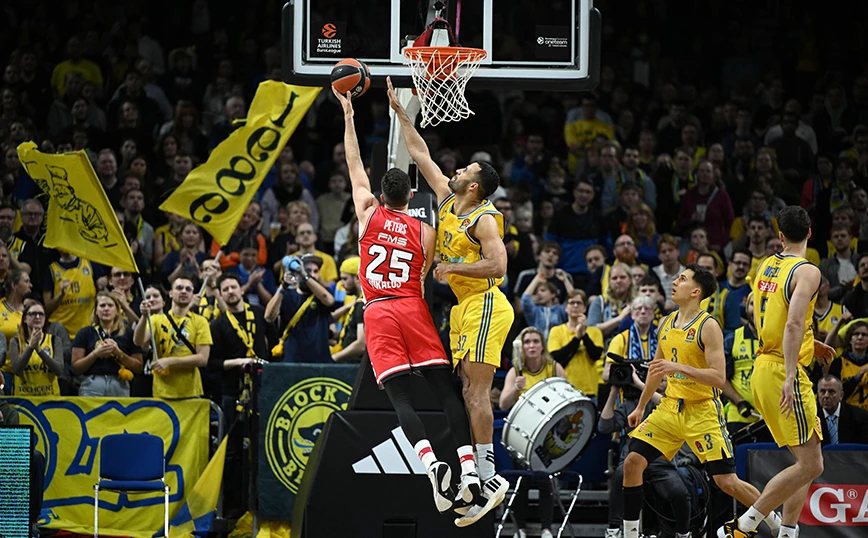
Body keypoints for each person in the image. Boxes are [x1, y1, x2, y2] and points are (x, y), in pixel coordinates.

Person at [337, 88, 498, 526]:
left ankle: (431, 466)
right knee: (445, 392)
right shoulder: (425, 230)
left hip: (378, 309)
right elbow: (426, 271)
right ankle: (469, 469)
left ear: (380, 194)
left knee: (400, 398)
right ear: (411, 195)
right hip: (412, 305)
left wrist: (348, 115)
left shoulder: (367, 212)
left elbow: (353, 163)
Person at [389, 77, 512, 508]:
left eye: (465, 171)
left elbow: (499, 266)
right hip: (463, 307)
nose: (456, 171)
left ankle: (489, 477)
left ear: (474, 186)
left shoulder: (485, 219)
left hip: (486, 302)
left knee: (476, 393)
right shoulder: (445, 199)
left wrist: (453, 266)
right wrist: (403, 114)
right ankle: (477, 478)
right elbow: (420, 154)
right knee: (467, 393)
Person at [622, 265, 781, 538]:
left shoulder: (708, 326)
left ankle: (778, 524)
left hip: (702, 411)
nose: (674, 282)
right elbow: (657, 370)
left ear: (696, 291)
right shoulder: (666, 322)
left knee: (726, 481)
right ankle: (629, 534)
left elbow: (718, 378)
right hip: (671, 407)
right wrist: (640, 406)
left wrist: (679, 367)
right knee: (632, 463)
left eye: (682, 279)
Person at [720, 206, 835, 538]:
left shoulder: (766, 265)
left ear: (780, 235)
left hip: (763, 366)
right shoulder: (808, 271)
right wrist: (790, 375)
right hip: (783, 371)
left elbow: (769, 318)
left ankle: (787, 532)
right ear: (810, 233)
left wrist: (811, 344)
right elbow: (793, 323)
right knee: (812, 464)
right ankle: (745, 525)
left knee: (804, 464)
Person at [208, 273, 276, 516]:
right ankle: (233, 507)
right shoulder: (218, 324)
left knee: (262, 446)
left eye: (233, 287)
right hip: (232, 392)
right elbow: (212, 363)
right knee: (232, 451)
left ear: (242, 289)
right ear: (220, 294)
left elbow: (275, 343)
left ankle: (262, 503)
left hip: (262, 389)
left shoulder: (258, 313)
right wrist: (237, 362)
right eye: (225, 289)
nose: (230, 292)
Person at [499, 327, 565, 538]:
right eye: (527, 342)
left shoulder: (554, 368)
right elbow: (502, 404)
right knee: (522, 482)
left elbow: (567, 400)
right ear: (522, 346)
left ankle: (546, 529)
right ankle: (520, 529)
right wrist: (515, 388)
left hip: (548, 436)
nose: (532, 346)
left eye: (536, 341)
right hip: (522, 436)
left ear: (543, 345)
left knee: (546, 481)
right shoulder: (516, 371)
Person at [133, 274, 212, 400]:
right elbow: (138, 341)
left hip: (190, 391)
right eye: (179, 288)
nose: (184, 291)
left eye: (188, 289)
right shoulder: (156, 319)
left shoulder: (200, 321)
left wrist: (169, 361)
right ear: (170, 293)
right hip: (162, 391)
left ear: (193, 295)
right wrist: (143, 316)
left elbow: (202, 359)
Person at [71, 292, 143, 397]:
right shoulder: (85, 333)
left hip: (120, 384)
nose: (106, 309)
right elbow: (75, 368)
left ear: (117, 310)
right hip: (92, 385)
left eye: (110, 305)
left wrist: (119, 354)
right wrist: (95, 354)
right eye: (102, 305)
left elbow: (138, 367)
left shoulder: (128, 333)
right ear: (96, 311)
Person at [548, 290, 605, 399]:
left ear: (584, 308)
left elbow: (596, 355)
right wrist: (577, 338)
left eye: (579, 303)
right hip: (564, 388)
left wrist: (584, 335)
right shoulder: (556, 331)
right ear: (566, 307)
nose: (575, 306)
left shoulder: (595, 332)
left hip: (589, 388)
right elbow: (557, 357)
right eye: (571, 303)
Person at [722, 292, 760, 435]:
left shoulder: (779, 340)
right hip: (739, 416)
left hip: (773, 417)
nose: (756, 309)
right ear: (746, 308)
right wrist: (739, 402)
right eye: (752, 304)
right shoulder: (732, 339)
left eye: (761, 303)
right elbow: (721, 377)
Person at [9, 301, 65, 396]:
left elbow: (59, 370)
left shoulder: (54, 340)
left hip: (49, 398)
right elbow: (17, 370)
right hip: (24, 399)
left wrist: (39, 350)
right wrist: (31, 347)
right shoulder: (16, 342)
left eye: (41, 314)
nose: (38, 317)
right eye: (33, 314)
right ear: (25, 319)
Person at [817, 374, 868, 445]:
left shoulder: (859, 417)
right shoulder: (810, 418)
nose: (826, 396)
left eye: (831, 392)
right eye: (822, 391)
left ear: (841, 396)